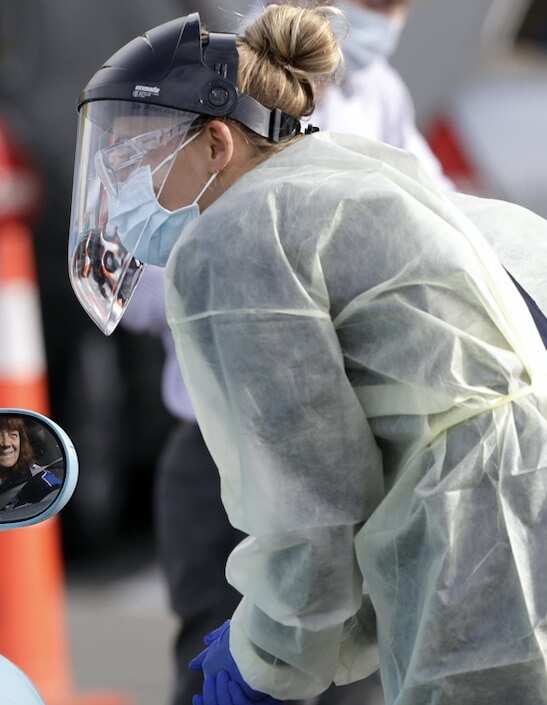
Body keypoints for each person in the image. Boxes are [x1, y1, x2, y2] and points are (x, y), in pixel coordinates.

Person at [69, 6, 547, 705]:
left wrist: (259, 664)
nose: (125, 188)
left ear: (215, 145)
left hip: (477, 521)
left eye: (141, 157)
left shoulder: (233, 237)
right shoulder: (335, 172)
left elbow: (315, 510)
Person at [119, 2, 432, 703]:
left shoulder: (376, 98)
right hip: (225, 444)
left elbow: (320, 515)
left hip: (351, 451)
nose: (388, 17)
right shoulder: (210, 82)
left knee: (341, 673)